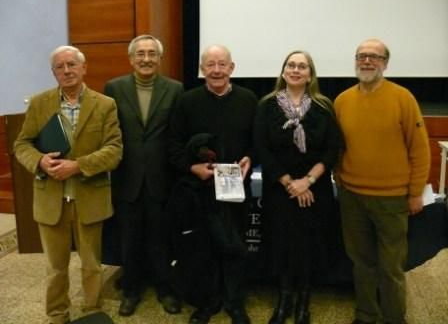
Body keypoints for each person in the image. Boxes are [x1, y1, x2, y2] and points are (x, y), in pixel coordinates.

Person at [14, 45, 123, 324]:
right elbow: (22, 144)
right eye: (60, 67)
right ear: (53, 73)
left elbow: (114, 149)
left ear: (84, 68)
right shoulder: (39, 103)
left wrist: (78, 166)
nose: (67, 71)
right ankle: (57, 315)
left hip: (90, 198)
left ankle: (92, 312)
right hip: (51, 200)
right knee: (55, 267)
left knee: (91, 266)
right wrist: (39, 162)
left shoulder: (104, 104)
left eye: (72, 64)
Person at [334, 38, 431, 324]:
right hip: (351, 197)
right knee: (361, 263)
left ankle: (393, 318)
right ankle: (366, 315)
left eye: (374, 57)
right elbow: (338, 147)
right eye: (361, 56)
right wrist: (340, 178)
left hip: (392, 199)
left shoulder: (403, 98)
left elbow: (420, 149)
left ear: (385, 63)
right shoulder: (342, 100)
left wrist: (415, 193)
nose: (366, 61)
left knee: (390, 268)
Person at [168, 45, 257, 324]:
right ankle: (208, 303)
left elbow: (258, 140)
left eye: (222, 64)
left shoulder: (249, 99)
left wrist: (249, 159)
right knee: (203, 249)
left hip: (235, 187)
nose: (216, 70)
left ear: (232, 68)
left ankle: (234, 303)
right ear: (202, 69)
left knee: (234, 247)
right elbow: (172, 144)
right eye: (210, 64)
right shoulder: (186, 101)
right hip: (199, 189)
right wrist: (192, 167)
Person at [254, 51, 342, 324]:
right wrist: (290, 182)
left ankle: (304, 301)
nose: (295, 70)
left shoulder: (324, 106)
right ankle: (284, 299)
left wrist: (308, 181)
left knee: (309, 245)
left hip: (315, 190)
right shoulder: (266, 105)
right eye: (290, 65)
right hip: (280, 190)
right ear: (283, 72)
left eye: (302, 66)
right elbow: (261, 148)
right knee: (281, 244)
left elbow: (332, 150)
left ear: (310, 74)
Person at [103, 34, 183, 316]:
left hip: (163, 178)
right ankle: (131, 291)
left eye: (152, 54)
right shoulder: (113, 88)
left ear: (160, 59)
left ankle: (165, 289)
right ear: (131, 58)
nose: (146, 59)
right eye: (141, 54)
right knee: (129, 239)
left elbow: (177, 135)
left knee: (162, 239)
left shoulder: (175, 89)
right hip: (128, 178)